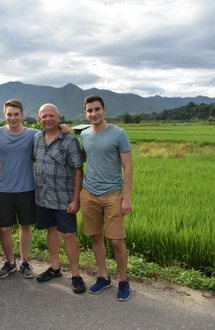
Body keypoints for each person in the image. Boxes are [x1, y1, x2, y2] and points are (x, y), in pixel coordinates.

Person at [0, 99, 68, 280]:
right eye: (9, 114)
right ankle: (10, 263)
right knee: (4, 229)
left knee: (26, 226)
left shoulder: (33, 135)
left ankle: (24, 262)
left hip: (27, 189)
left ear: (22, 115)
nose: (13, 118)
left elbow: (52, 133)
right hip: (5, 190)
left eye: (16, 114)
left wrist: (63, 127)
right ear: (5, 115)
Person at [80, 95, 133, 301]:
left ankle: (123, 280)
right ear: (85, 113)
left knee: (117, 241)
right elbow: (83, 159)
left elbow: (128, 166)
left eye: (96, 109)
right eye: (89, 111)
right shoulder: (84, 135)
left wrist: (126, 197)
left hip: (113, 194)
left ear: (104, 109)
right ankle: (104, 276)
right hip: (89, 193)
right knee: (95, 237)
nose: (93, 114)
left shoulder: (119, 134)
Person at [33, 103, 86, 294]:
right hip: (43, 195)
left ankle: (76, 274)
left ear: (58, 117)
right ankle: (55, 268)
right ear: (39, 119)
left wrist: (76, 199)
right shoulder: (37, 138)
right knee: (51, 230)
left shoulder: (69, 139)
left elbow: (78, 170)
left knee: (69, 234)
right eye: (43, 116)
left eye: (51, 116)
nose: (47, 119)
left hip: (64, 196)